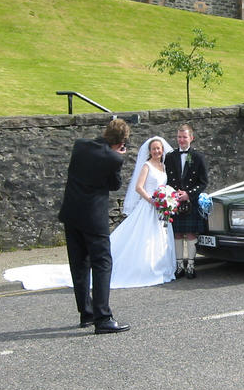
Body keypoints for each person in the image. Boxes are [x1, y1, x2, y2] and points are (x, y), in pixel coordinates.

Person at [58, 118, 131, 335]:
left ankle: (86, 314)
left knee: (79, 265)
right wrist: (118, 156)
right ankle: (103, 317)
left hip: (72, 214)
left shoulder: (80, 145)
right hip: (93, 217)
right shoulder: (113, 158)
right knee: (102, 263)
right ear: (121, 141)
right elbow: (114, 184)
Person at [109, 136, 176, 287]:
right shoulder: (147, 166)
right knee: (145, 239)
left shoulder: (164, 166)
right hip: (149, 206)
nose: (156, 151)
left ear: (162, 150)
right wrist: (152, 200)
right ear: (150, 151)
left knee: (161, 237)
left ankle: (161, 268)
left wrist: (167, 199)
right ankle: (144, 268)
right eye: (154, 149)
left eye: (158, 148)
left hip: (161, 209)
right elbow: (138, 187)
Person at [165, 123, 209, 279]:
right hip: (175, 200)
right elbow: (167, 179)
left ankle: (190, 265)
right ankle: (179, 266)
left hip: (190, 201)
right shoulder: (170, 157)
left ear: (191, 138)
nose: (181, 140)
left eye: (184, 137)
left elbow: (203, 182)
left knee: (190, 233)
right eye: (179, 137)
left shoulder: (198, 157)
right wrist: (172, 194)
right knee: (176, 233)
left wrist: (188, 194)